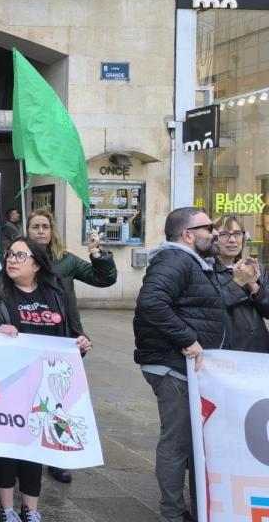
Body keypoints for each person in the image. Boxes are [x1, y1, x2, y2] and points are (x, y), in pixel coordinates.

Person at [0, 237, 92, 522]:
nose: (11, 259)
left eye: (20, 256)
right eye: (10, 254)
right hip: (8, 384)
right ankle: (7, 509)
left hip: (45, 385)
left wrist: (81, 344)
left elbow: (71, 333)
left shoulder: (57, 291)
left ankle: (31, 510)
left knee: (36, 447)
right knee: (9, 446)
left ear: (36, 264)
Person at [134, 207, 227, 522]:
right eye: (208, 226)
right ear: (188, 234)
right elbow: (151, 302)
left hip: (179, 365)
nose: (214, 232)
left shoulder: (191, 263)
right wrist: (187, 338)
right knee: (177, 442)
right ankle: (173, 514)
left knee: (187, 442)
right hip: (172, 366)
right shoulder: (176, 260)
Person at [25, 208, 116, 484]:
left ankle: (56, 457)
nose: (41, 231)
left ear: (52, 231)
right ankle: (27, 453)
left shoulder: (65, 261)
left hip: (62, 338)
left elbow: (104, 279)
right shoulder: (18, 258)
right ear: (26, 231)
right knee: (29, 400)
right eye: (35, 226)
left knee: (58, 402)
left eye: (45, 226)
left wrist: (98, 252)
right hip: (28, 337)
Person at [212, 215, 269, 353]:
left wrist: (254, 287)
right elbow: (212, 309)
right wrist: (238, 282)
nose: (232, 239)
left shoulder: (256, 269)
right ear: (214, 240)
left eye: (237, 233)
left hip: (259, 350)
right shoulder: (206, 270)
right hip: (226, 353)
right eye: (224, 234)